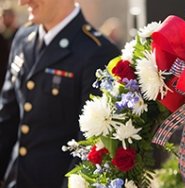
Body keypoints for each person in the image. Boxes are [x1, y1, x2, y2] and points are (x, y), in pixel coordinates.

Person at [0, 0, 120, 187]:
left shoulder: (98, 52)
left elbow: (90, 147)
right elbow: (6, 117)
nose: (22, 2)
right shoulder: (22, 39)